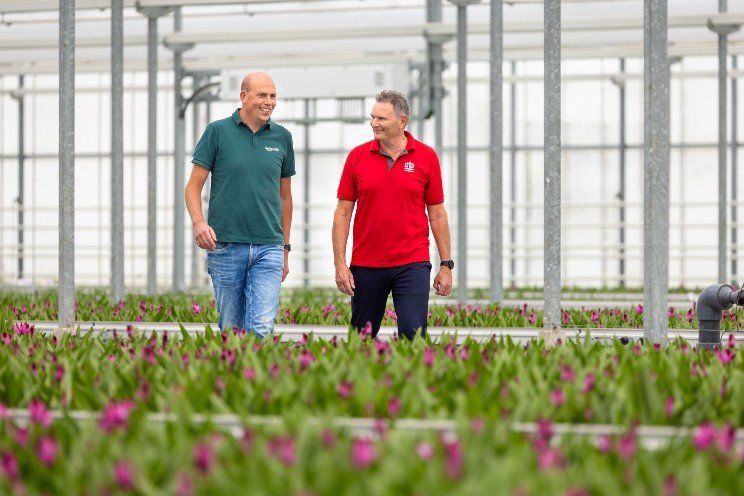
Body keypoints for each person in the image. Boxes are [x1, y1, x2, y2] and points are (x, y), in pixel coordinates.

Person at [332, 89, 453, 340]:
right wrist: (340, 263)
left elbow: (437, 213)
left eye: (382, 119)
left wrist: (446, 264)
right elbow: (343, 212)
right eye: (373, 117)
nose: (374, 123)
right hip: (366, 265)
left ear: (402, 121)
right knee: (361, 338)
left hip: (412, 262)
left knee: (413, 334)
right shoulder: (357, 157)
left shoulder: (426, 157)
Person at [185, 72, 294, 337]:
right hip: (226, 245)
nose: (269, 102)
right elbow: (193, 187)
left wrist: (285, 249)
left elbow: (285, 197)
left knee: (261, 329)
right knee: (231, 330)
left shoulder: (282, 137)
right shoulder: (217, 132)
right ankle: (233, 376)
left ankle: (258, 376)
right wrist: (199, 223)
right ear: (244, 97)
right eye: (262, 95)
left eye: (273, 95)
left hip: (269, 245)